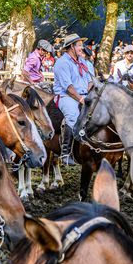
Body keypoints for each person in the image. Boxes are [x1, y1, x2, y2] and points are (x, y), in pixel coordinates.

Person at [53, 34, 92, 166]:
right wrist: (81, 99)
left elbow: (88, 81)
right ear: (71, 47)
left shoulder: (82, 62)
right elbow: (68, 87)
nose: (82, 48)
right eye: (79, 45)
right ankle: (65, 153)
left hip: (82, 94)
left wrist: (89, 93)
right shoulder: (62, 63)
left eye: (82, 45)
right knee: (73, 116)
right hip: (66, 96)